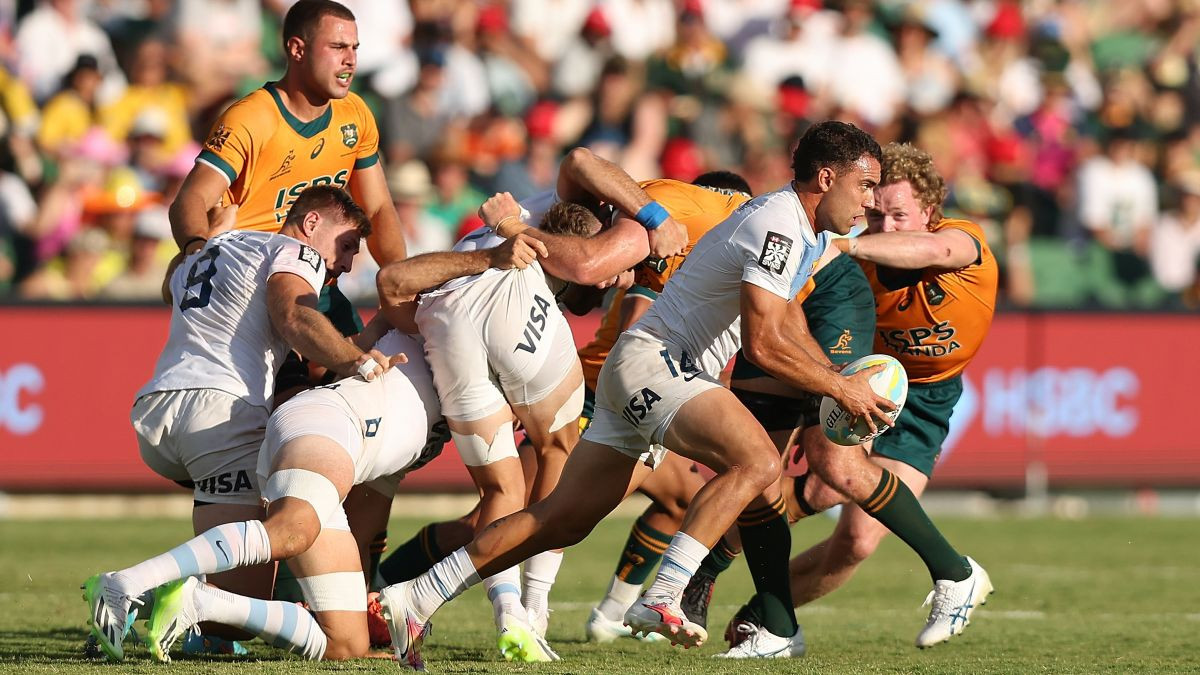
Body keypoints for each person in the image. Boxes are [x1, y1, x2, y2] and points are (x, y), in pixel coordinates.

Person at [377, 120, 896, 670]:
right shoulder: (780, 225)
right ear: (826, 176)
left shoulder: (798, 229)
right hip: (659, 362)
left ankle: (416, 596)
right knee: (758, 461)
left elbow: (783, 324)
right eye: (865, 186)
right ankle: (663, 594)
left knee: (560, 521)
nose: (870, 201)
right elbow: (764, 345)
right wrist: (840, 388)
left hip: (643, 366)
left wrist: (839, 387)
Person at [84, 230, 548, 663]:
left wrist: (363, 584)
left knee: (345, 642)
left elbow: (372, 503)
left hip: (341, 446)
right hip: (328, 424)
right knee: (291, 530)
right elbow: (501, 495)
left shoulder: (459, 357)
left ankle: (194, 599)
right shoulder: (463, 354)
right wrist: (512, 611)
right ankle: (130, 581)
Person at [390, 147, 687, 659]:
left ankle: (500, 616)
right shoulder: (591, 224)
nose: (617, 280)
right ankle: (534, 605)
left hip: (448, 313)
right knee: (560, 450)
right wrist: (653, 218)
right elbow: (582, 183)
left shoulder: (531, 208)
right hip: (515, 297)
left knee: (499, 491)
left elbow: (392, 284)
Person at [82, 185, 387, 661]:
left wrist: (209, 238)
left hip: (158, 409)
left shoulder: (215, 248)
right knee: (234, 608)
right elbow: (292, 315)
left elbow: (170, 286)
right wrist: (358, 362)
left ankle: (126, 609)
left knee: (234, 578)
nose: (346, 262)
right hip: (222, 414)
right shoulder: (294, 251)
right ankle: (128, 588)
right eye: (345, 245)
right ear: (311, 225)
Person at [722, 142, 999, 652]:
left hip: (928, 399)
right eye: (876, 215)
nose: (887, 226)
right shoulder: (853, 263)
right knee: (829, 474)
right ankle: (763, 612)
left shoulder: (961, 239)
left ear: (930, 213)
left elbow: (933, 252)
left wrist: (846, 245)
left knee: (856, 541)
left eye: (899, 215)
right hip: (864, 382)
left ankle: (763, 615)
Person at [168, 0, 407, 334]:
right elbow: (190, 200)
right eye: (337, 47)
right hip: (253, 292)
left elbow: (378, 207)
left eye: (354, 48)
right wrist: (197, 256)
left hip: (320, 288)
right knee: (341, 369)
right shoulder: (250, 118)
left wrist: (401, 281)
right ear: (297, 49)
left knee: (386, 363)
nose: (350, 59)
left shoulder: (356, 114)